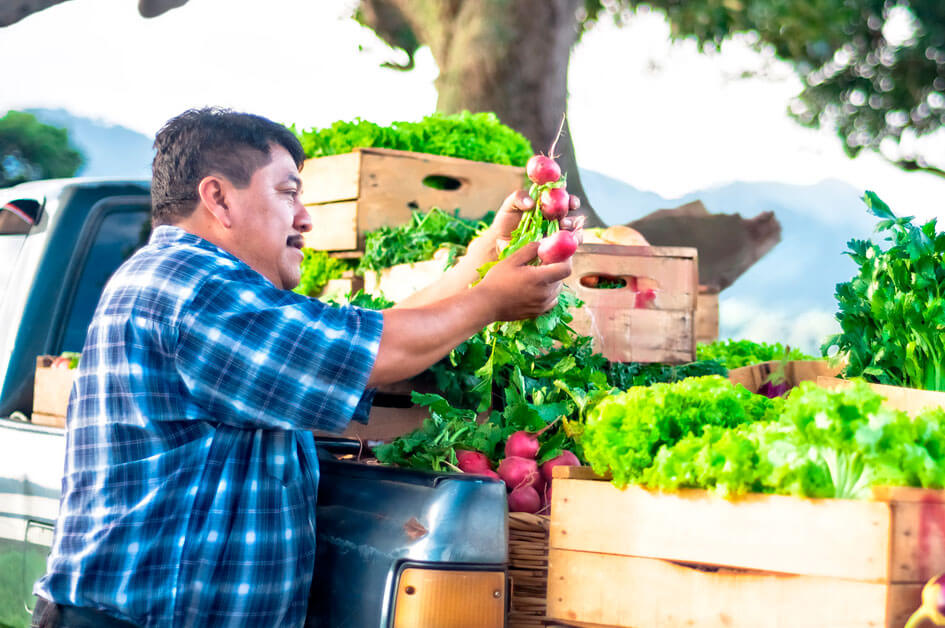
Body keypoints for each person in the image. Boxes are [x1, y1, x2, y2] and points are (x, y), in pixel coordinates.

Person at [31, 107, 580, 627]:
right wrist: (490, 303)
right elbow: (378, 354)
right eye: (288, 192)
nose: (305, 219)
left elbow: (362, 334)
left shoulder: (193, 281)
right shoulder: (195, 290)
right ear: (218, 198)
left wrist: (481, 260)